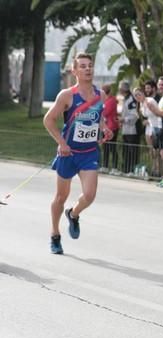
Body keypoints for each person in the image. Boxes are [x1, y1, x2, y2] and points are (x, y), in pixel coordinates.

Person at [43, 52, 113, 254]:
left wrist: (103, 128)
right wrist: (62, 142)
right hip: (69, 153)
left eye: (90, 65)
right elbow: (48, 120)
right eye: (82, 66)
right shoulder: (67, 95)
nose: (87, 69)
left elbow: (98, 117)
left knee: (89, 195)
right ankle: (55, 235)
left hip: (89, 152)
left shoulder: (100, 95)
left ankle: (73, 214)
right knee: (60, 196)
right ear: (74, 71)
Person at [134, 86, 162, 178]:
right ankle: (153, 168)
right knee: (151, 150)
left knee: (156, 150)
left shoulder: (150, 101)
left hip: (156, 126)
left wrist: (149, 121)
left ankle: (158, 170)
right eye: (135, 95)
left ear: (143, 93)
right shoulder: (141, 104)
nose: (137, 96)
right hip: (148, 127)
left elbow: (158, 113)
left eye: (139, 94)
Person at [118, 81, 140, 175]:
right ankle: (126, 168)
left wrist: (124, 119)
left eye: (120, 88)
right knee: (126, 150)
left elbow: (135, 115)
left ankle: (132, 169)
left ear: (123, 89)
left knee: (132, 150)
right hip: (126, 129)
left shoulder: (131, 100)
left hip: (132, 130)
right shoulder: (125, 99)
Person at [100, 83, 118, 174]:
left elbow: (105, 112)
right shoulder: (104, 100)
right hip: (105, 127)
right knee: (105, 147)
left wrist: (100, 111)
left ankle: (114, 167)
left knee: (112, 147)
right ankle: (105, 166)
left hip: (112, 127)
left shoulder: (111, 100)